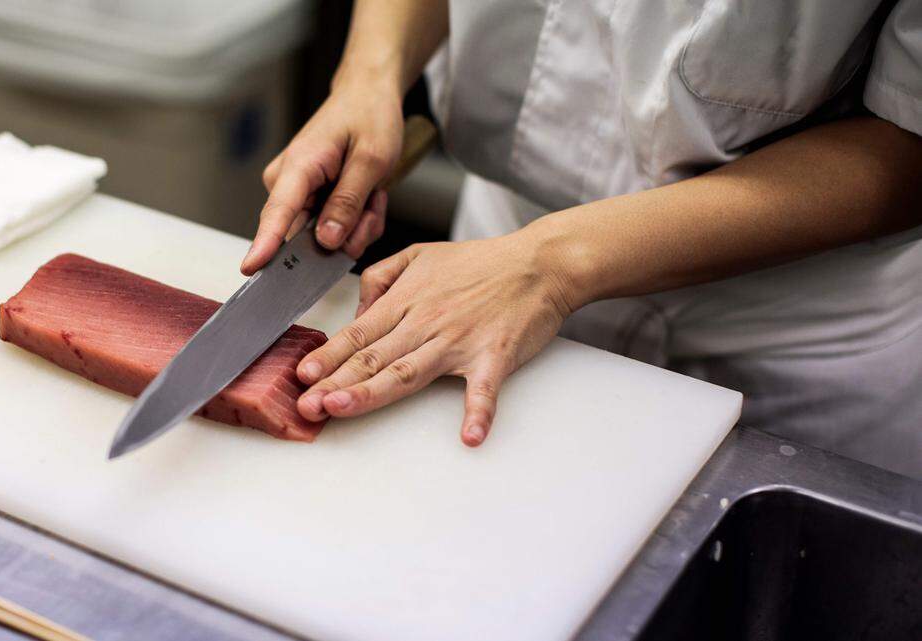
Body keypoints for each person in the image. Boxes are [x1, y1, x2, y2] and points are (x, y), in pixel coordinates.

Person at [241, 1, 922, 479]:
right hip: (479, 272)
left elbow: (908, 142)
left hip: (785, 345)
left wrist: (551, 263)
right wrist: (369, 77)